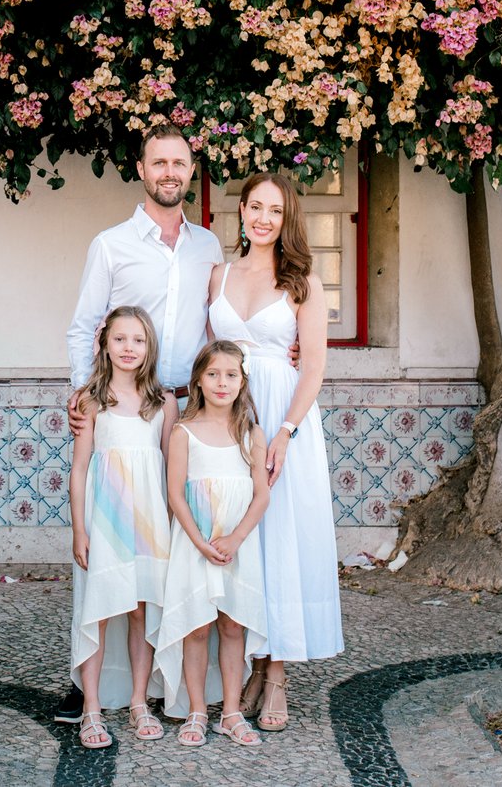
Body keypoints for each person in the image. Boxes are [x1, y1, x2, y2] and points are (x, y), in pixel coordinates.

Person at [57, 127, 223, 725]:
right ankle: (93, 692)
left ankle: (173, 688)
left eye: (179, 162)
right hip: (122, 406)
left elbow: (220, 325)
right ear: (142, 168)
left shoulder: (208, 246)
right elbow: (86, 325)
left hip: (185, 412)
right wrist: (86, 392)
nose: (170, 172)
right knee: (110, 557)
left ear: (191, 169)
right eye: (159, 162)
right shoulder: (112, 245)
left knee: (172, 554)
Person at [206, 171, 344, 731]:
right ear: (241, 210)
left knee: (280, 539)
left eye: (276, 210)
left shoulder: (303, 280)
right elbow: (208, 354)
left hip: (284, 416)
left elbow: (314, 368)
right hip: (230, 413)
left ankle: (277, 674)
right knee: (244, 540)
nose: (264, 218)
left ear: (288, 219)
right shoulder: (218, 275)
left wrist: (285, 431)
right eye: (256, 206)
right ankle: (252, 665)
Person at [152, 340, 272, 747]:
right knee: (198, 628)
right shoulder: (184, 432)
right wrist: (200, 543)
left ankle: (232, 712)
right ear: (199, 381)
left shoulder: (252, 434)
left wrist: (235, 539)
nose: (223, 382)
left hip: (237, 546)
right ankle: (197, 710)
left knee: (233, 625)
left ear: (242, 382)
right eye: (213, 374)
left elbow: (261, 496)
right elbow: (175, 495)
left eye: (231, 375)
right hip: (195, 545)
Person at [68, 305, 175, 749]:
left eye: (138, 340)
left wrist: (173, 526)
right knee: (100, 608)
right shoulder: (92, 401)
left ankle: (138, 700)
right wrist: (80, 530)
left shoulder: (163, 403)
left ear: (149, 347)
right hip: (105, 520)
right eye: (120, 339)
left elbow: (170, 470)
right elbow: (79, 470)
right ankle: (91, 707)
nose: (129, 348)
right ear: (105, 344)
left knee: (140, 610)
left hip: (149, 523)